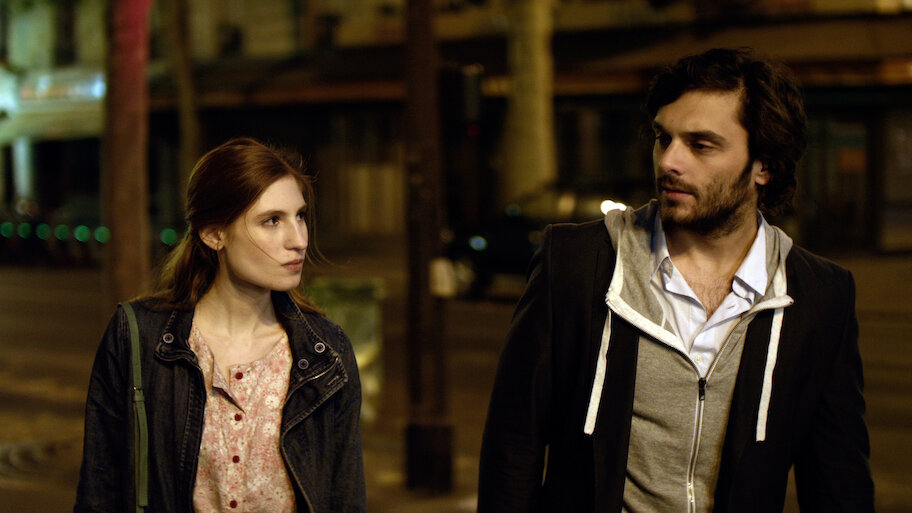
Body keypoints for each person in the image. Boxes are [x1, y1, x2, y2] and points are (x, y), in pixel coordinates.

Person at [477, 48, 874, 513]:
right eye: (663, 138)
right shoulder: (577, 263)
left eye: (701, 145)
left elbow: (837, 481)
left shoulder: (818, 296)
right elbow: (512, 446)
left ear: (763, 166)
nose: (669, 161)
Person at [75, 137, 367, 512]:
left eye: (299, 216)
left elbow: (346, 499)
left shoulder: (327, 352)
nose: (298, 240)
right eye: (272, 220)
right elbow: (100, 492)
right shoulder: (138, 337)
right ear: (214, 234)